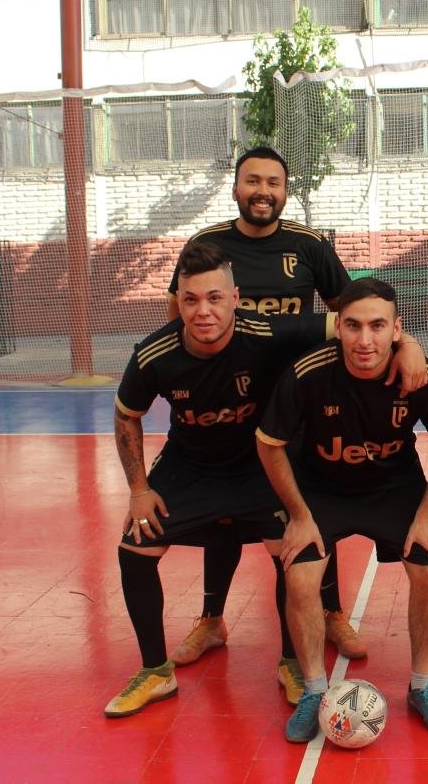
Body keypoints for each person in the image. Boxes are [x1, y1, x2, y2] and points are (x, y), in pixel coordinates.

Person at [164, 147, 365, 705]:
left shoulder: (308, 246)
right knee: (222, 517)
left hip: (299, 406)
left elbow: (350, 310)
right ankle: (211, 620)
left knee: (310, 512)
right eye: (252, 181)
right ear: (235, 188)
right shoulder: (208, 245)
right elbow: (178, 314)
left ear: (284, 190)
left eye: (273, 182)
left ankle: (331, 612)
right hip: (230, 405)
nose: (263, 191)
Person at [105, 239, 334, 718]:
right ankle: (156, 672)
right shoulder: (154, 354)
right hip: (190, 464)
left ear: (235, 298)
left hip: (258, 463)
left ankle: (292, 662)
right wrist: (139, 490)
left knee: (294, 550)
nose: (203, 311)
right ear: (179, 302)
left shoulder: (265, 332)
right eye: (191, 300)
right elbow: (127, 415)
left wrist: (408, 345)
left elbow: (345, 322)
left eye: (214, 298)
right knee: (134, 549)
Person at [256, 278, 428, 741]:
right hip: (321, 488)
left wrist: (425, 515)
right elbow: (269, 444)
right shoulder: (307, 373)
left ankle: (422, 686)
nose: (365, 340)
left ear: (397, 329)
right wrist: (299, 515)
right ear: (338, 328)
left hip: (394, 486)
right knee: (300, 577)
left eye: (377, 326)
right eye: (353, 326)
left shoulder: (424, 377)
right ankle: (314, 692)